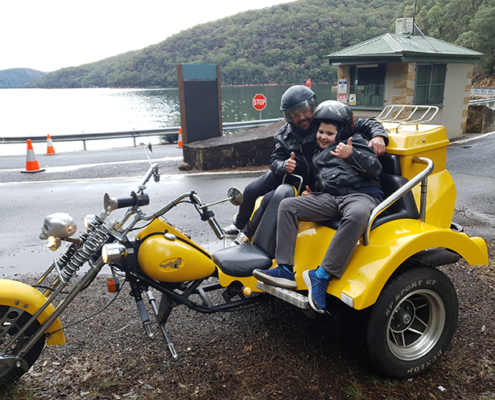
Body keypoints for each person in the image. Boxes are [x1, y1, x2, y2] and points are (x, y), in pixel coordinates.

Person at [253, 100, 384, 314]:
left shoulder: (354, 142)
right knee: (288, 205)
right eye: (321, 132)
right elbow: (323, 181)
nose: (323, 136)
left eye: (329, 133)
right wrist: (312, 194)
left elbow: (375, 168)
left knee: (358, 214)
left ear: (340, 133)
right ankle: (285, 268)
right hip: (331, 198)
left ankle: (321, 275)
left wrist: (350, 155)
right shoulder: (317, 155)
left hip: (361, 195)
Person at [224, 86, 388, 246]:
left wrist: (379, 135)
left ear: (313, 107)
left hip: (310, 176)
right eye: (294, 114)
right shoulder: (283, 134)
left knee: (271, 199)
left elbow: (363, 123)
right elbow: (275, 160)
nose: (301, 117)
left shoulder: (324, 121)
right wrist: (284, 165)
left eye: (305, 111)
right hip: (290, 171)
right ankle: (239, 224)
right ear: (288, 117)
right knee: (251, 190)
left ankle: (248, 234)